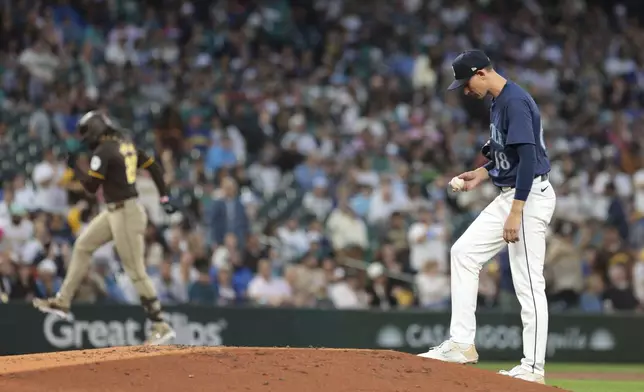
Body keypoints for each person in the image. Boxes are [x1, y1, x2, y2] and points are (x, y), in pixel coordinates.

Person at [417, 50, 556, 385]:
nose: (465, 91)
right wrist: (481, 173)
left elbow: (526, 159)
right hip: (511, 194)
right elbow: (503, 151)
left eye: (466, 83)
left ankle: (533, 368)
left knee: (528, 283)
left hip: (528, 197)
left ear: (481, 73)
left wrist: (516, 212)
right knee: (463, 253)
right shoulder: (498, 101)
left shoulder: (514, 102)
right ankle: (462, 343)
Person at [33, 111, 178, 346]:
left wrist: (74, 167)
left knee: (135, 271)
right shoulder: (125, 146)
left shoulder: (104, 151)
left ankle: (161, 325)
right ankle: (63, 300)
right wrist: (164, 198)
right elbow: (154, 167)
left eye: (88, 134)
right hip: (114, 211)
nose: (87, 140)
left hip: (126, 214)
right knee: (82, 246)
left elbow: (91, 186)